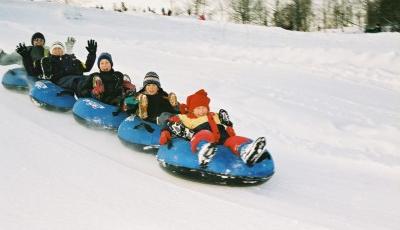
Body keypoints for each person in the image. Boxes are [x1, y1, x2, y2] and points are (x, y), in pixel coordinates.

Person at [159, 89, 271, 168]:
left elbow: (228, 130)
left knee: (234, 140)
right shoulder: (187, 117)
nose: (202, 111)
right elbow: (170, 122)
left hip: (222, 138)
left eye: (204, 108)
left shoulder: (215, 115)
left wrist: (229, 126)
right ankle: (205, 151)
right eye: (198, 108)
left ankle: (246, 150)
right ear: (192, 109)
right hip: (203, 136)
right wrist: (165, 133)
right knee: (205, 134)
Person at [28, 39, 97, 96]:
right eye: (55, 49)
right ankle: (90, 94)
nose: (57, 50)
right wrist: (26, 57)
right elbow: (33, 72)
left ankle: (101, 93)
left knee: (93, 77)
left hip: (77, 78)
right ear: (51, 51)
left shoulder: (72, 59)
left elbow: (87, 68)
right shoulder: (47, 60)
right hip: (62, 80)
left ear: (63, 50)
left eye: (59, 48)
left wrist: (92, 54)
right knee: (76, 81)